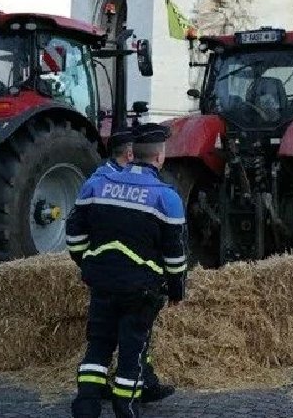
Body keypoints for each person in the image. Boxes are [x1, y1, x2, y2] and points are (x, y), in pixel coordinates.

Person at [66, 123, 187, 418]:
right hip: (140, 290)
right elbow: (175, 256)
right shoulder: (166, 197)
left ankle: (85, 407)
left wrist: (91, 266)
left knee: (98, 348)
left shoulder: (96, 185)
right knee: (132, 354)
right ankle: (125, 409)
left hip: (102, 285)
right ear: (159, 158)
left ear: (133, 155)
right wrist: (176, 290)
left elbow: (74, 237)